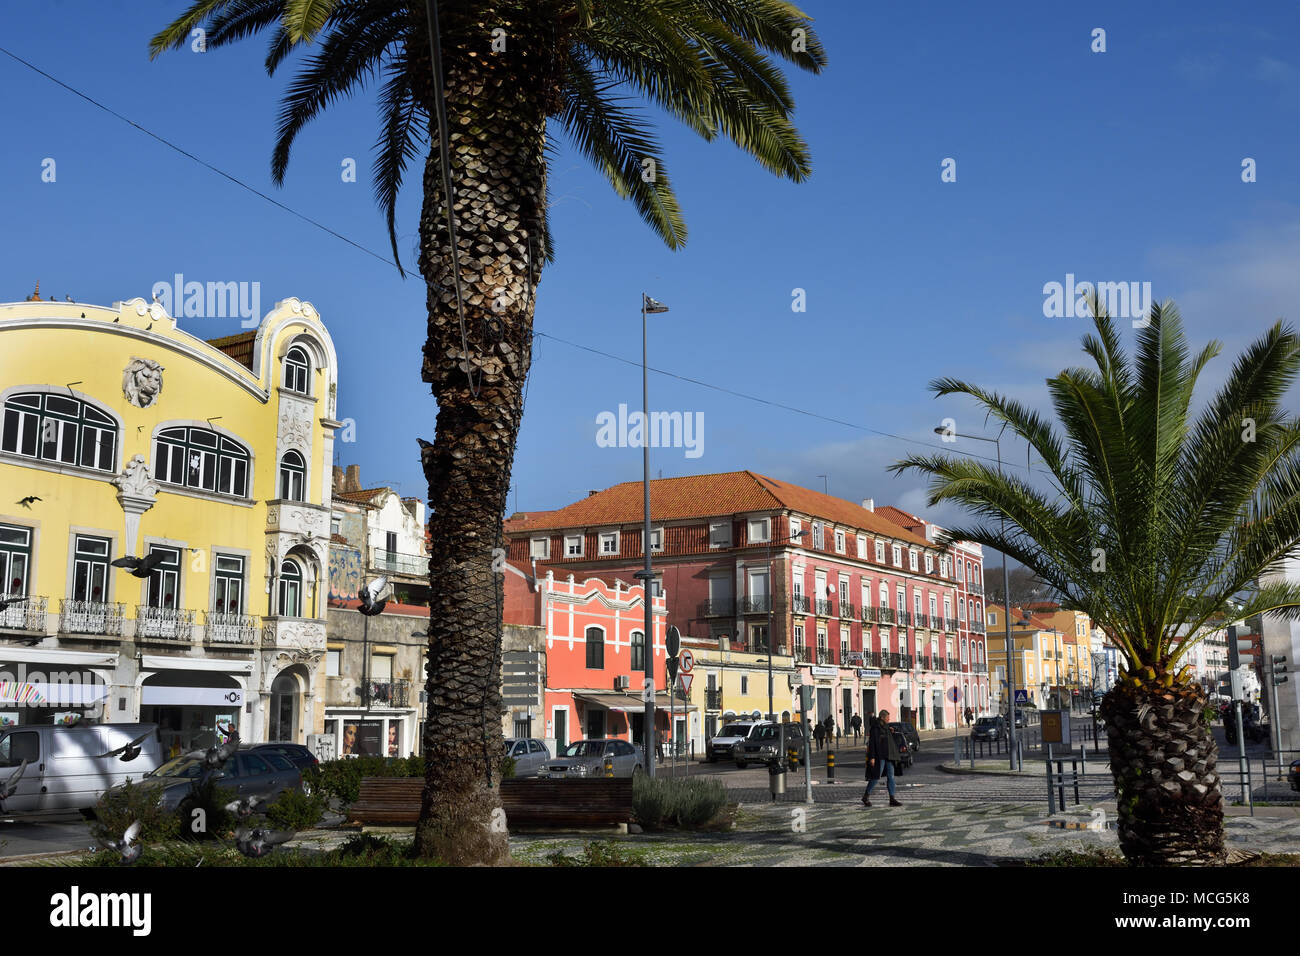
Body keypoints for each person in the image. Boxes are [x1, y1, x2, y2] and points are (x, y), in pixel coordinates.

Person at [862, 709, 902, 808]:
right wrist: (872, 757)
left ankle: (892, 798)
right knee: (876, 777)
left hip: (889, 755)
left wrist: (891, 731)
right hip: (880, 756)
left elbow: (887, 739)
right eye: (888, 717)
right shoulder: (876, 728)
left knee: (891, 777)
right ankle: (866, 796)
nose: (889, 719)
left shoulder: (886, 727)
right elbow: (872, 743)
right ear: (882, 717)